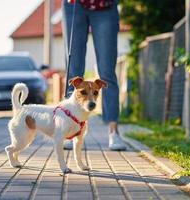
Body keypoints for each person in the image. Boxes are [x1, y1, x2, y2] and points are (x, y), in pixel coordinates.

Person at [62, 0, 126, 151]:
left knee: (107, 72)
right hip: (74, 5)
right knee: (74, 72)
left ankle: (113, 132)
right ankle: (69, 131)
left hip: (105, 6)